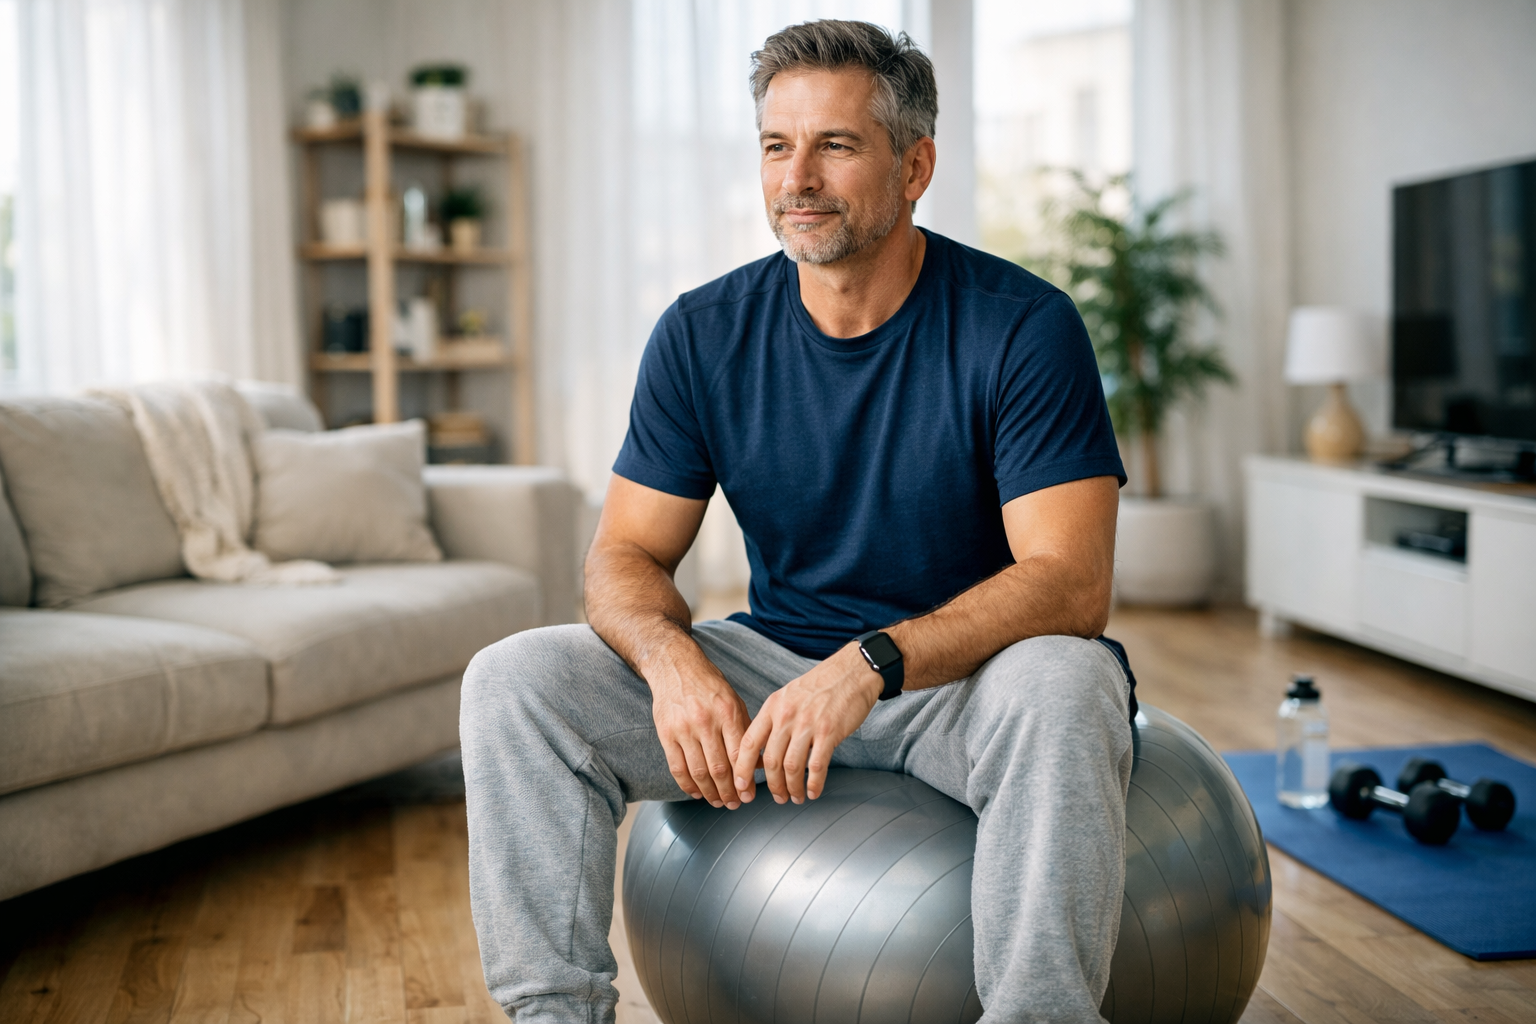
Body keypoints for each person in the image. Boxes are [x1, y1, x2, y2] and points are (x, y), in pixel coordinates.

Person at [463, 19, 1137, 1024]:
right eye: (778, 146)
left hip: (967, 684)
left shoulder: (1023, 327)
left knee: (1069, 677)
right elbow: (625, 553)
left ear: (917, 166)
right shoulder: (702, 332)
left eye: (836, 144)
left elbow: (1071, 584)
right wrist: (670, 659)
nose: (798, 178)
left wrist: (869, 663)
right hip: (773, 676)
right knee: (514, 679)